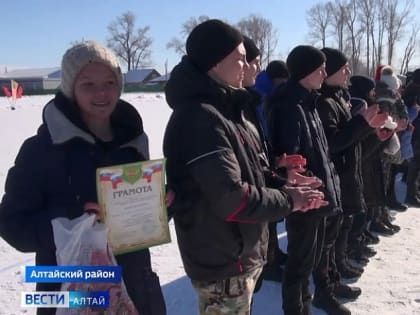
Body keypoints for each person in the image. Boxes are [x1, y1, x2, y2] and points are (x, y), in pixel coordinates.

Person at [163, 20, 327, 315]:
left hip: (239, 253)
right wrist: (291, 200)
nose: (248, 66)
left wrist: (283, 182)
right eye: (240, 59)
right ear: (215, 61)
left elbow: (249, 173)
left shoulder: (225, 109)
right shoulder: (200, 118)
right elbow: (230, 197)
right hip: (223, 261)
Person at [0, 41, 166, 315]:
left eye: (110, 82)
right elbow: (11, 223)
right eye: (88, 84)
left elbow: (138, 219)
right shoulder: (41, 149)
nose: (101, 92)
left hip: (135, 287)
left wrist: (160, 205)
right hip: (66, 292)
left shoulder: (133, 141)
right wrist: (70, 222)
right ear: (70, 87)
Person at [267, 45, 342, 315]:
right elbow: (291, 159)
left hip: (316, 196)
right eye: (320, 68)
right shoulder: (289, 106)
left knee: (308, 262)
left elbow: (320, 154)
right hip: (304, 201)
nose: (325, 73)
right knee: (299, 265)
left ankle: (305, 307)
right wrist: (308, 187)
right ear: (305, 71)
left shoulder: (307, 102)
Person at [314, 48, 388, 315]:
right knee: (327, 240)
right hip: (332, 179)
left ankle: (334, 278)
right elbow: (334, 144)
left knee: (338, 231)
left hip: (344, 176)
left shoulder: (337, 98)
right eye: (343, 68)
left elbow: (350, 143)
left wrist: (369, 129)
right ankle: (323, 290)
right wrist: (362, 122)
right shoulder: (323, 104)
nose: (348, 72)